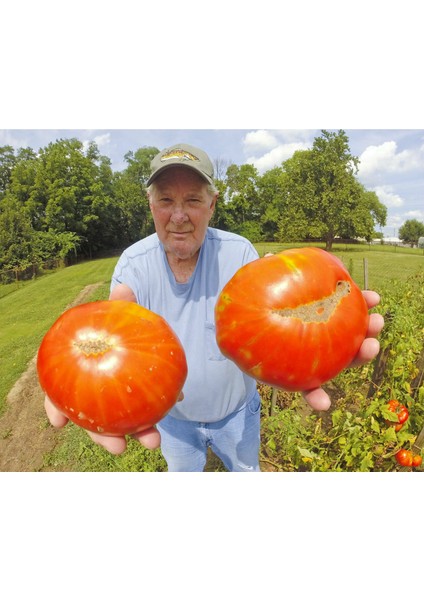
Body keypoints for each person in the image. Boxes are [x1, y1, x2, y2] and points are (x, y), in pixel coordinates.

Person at [45, 142, 385, 471]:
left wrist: (314, 344)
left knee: (245, 471)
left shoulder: (238, 254)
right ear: (150, 205)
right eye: (165, 199)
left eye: (193, 199)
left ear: (212, 204)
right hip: (175, 423)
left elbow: (274, 325)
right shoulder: (132, 265)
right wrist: (73, 384)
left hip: (237, 413)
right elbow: (115, 346)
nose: (178, 216)